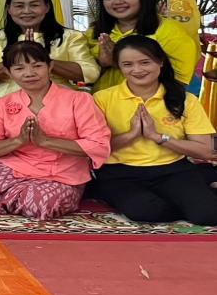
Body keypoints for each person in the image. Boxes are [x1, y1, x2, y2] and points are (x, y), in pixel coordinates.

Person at [0, 42, 111, 220]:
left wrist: (45, 141)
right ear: (8, 72)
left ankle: (6, 197)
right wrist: (18, 140)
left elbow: (98, 144)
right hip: (13, 165)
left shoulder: (79, 100)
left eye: (37, 66)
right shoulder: (1, 103)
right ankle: (15, 196)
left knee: (38, 204)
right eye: (19, 68)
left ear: (50, 67)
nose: (29, 73)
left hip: (61, 172)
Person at [92, 36, 217, 225]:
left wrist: (159, 137)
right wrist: (131, 135)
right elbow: (93, 149)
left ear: (160, 62)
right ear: (119, 67)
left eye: (145, 62)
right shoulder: (101, 99)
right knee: (147, 212)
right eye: (127, 64)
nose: (137, 70)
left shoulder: (185, 99)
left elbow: (206, 151)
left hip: (172, 169)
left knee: (207, 215)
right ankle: (202, 181)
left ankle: (200, 181)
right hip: (119, 173)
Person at [0, 0, 99, 107]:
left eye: (34, 5)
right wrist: (15, 60)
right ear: (9, 9)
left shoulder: (70, 36)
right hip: (5, 105)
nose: (26, 11)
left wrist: (43, 59)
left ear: (47, 7)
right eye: (19, 6)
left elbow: (90, 73)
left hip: (60, 103)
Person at [86, 0, 199, 92]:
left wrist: (119, 62)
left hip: (150, 102)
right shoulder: (94, 32)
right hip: (99, 101)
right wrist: (102, 63)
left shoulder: (170, 31)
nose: (117, 1)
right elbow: (84, 76)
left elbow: (180, 80)